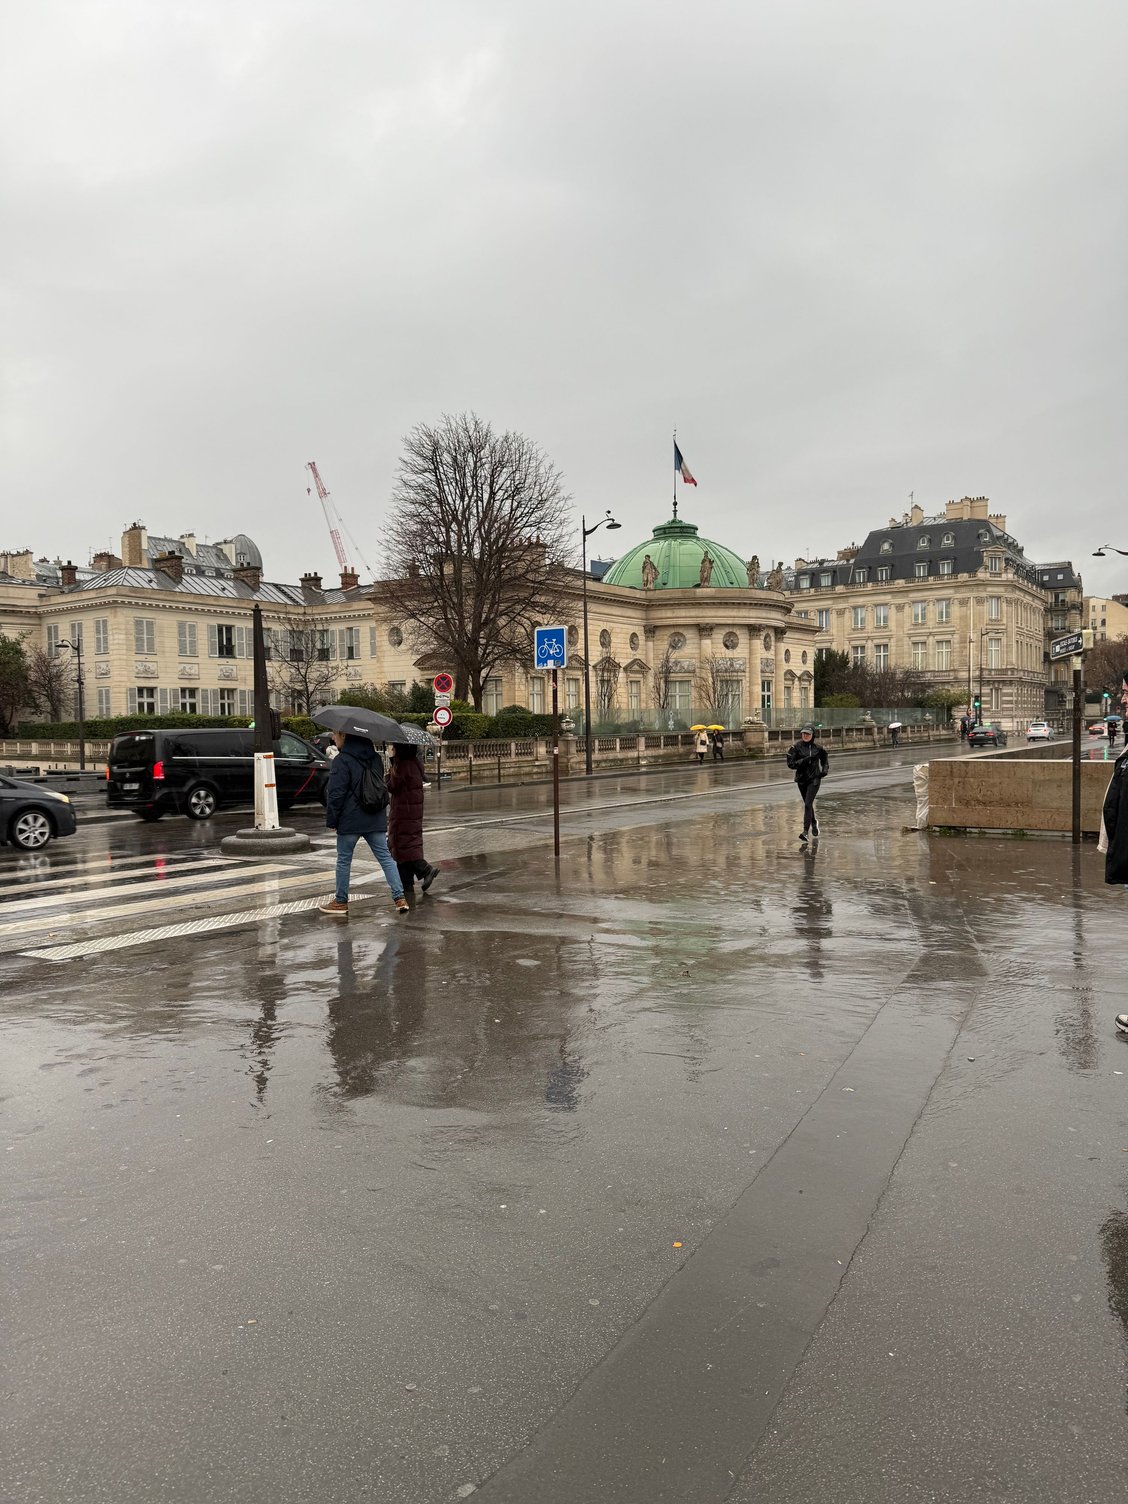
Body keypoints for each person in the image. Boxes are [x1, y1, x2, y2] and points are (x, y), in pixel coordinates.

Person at [319, 731, 408, 917]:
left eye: (336, 735)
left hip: (350, 819)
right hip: (374, 816)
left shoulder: (341, 761)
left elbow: (335, 794)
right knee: (385, 858)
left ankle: (341, 902)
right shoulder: (375, 758)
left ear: (344, 736)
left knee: (344, 860)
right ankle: (400, 898)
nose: (333, 739)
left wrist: (332, 820)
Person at [386, 743, 440, 897]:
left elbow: (392, 786)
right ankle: (407, 885)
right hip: (410, 813)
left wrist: (390, 769)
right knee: (402, 850)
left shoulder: (403, 765)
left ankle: (425, 869)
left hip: (404, 814)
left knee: (403, 848)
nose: (392, 750)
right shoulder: (413, 764)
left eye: (394, 747)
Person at [786, 725, 829, 843]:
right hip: (801, 780)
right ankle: (814, 822)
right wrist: (803, 761)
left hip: (814, 779)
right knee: (807, 804)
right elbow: (790, 764)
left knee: (808, 803)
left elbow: (825, 759)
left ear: (813, 735)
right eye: (803, 733)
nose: (805, 736)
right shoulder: (795, 748)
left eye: (808, 734)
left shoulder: (818, 748)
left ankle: (805, 832)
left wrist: (824, 770)